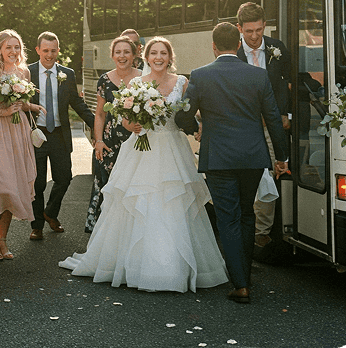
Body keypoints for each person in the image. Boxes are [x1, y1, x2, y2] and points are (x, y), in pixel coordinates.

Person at [59, 36, 229, 293]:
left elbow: (191, 111)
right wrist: (134, 124)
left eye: (163, 53)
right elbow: (125, 121)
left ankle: (173, 267)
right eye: (154, 53)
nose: (159, 57)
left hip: (172, 149)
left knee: (173, 203)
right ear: (146, 57)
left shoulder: (182, 82)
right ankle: (137, 265)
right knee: (140, 202)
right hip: (142, 149)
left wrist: (201, 125)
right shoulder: (136, 83)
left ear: (170, 58)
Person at [176, 22, 288, 303]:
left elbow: (182, 116)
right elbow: (273, 118)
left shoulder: (200, 75)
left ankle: (240, 284)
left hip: (219, 157)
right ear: (238, 45)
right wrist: (282, 157)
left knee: (228, 217)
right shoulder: (258, 75)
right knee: (247, 214)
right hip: (252, 156)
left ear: (213, 46)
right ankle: (244, 276)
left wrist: (195, 128)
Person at [0, 29, 43, 260]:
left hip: (18, 131)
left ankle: (3, 240)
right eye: (8, 47)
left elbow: (22, 103)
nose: (13, 51)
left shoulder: (24, 72)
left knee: (13, 188)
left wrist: (31, 106)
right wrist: (4, 112)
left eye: (17, 47)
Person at [28, 32, 94, 240]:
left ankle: (50, 212)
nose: (49, 55)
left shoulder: (67, 73)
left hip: (59, 134)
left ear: (58, 50)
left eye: (53, 50)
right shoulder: (27, 72)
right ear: (38, 50)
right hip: (36, 134)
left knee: (64, 178)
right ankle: (37, 225)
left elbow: (77, 102)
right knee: (37, 183)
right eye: (45, 50)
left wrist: (96, 123)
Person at [236, 2, 292, 248]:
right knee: (245, 176)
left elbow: (286, 83)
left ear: (264, 25)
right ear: (240, 28)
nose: (254, 36)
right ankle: (245, 225)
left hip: (271, 124)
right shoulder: (233, 52)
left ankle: (262, 232)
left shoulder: (276, 48)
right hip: (243, 126)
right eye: (249, 31)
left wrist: (284, 113)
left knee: (270, 173)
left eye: (259, 30)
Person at [85, 36, 142, 233]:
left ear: (134, 55)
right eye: (118, 52)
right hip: (110, 142)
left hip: (136, 141)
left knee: (133, 185)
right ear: (112, 55)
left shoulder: (143, 79)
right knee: (108, 185)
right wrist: (98, 141)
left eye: (126, 52)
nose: (122, 56)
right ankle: (106, 233)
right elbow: (100, 114)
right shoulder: (105, 80)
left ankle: (130, 232)